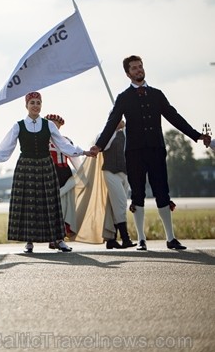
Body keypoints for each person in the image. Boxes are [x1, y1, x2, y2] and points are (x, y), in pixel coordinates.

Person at [89, 55, 211, 251]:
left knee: (162, 192)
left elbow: (174, 117)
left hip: (156, 150)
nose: (139, 70)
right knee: (137, 194)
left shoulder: (157, 94)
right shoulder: (123, 98)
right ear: (128, 74)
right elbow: (111, 123)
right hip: (134, 153)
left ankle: (171, 238)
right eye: (134, 68)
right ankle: (142, 239)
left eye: (140, 67)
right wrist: (99, 146)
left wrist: (197, 136)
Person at [0, 92, 91, 254]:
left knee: (52, 203)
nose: (35, 105)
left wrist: (84, 152)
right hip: (26, 166)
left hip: (46, 166)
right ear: (26, 105)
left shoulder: (49, 125)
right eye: (32, 102)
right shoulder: (18, 125)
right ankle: (29, 241)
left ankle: (59, 240)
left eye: (38, 103)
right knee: (29, 204)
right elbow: (5, 149)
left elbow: (64, 146)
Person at [45, 113, 79, 249]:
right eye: (51, 123)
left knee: (65, 206)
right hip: (49, 173)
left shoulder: (66, 140)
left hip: (65, 174)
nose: (54, 125)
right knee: (52, 206)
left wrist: (84, 174)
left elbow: (74, 158)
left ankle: (60, 237)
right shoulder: (43, 139)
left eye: (56, 123)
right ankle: (52, 238)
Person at [99, 120, 135, 249]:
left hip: (124, 173)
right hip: (110, 172)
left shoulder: (125, 134)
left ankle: (111, 239)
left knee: (116, 205)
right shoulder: (104, 135)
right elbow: (104, 146)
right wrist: (113, 129)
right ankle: (125, 238)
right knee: (120, 204)